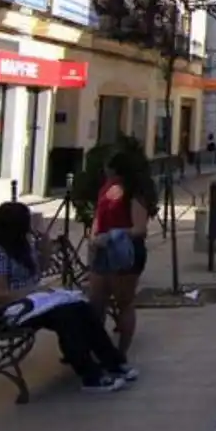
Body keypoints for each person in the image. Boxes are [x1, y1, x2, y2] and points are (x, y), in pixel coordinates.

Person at [0, 201, 133, 392]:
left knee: (81, 307)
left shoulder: (22, 248)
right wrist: (31, 293)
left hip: (32, 303)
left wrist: (44, 239)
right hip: (8, 311)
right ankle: (90, 376)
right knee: (66, 316)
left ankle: (113, 362)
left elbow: (44, 266)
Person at [87, 152, 155, 368]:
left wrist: (114, 234)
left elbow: (140, 229)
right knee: (96, 302)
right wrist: (94, 236)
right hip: (102, 250)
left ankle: (120, 352)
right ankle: (96, 348)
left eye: (109, 167)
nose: (106, 171)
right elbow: (98, 217)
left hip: (124, 252)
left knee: (124, 303)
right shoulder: (106, 190)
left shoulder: (133, 194)